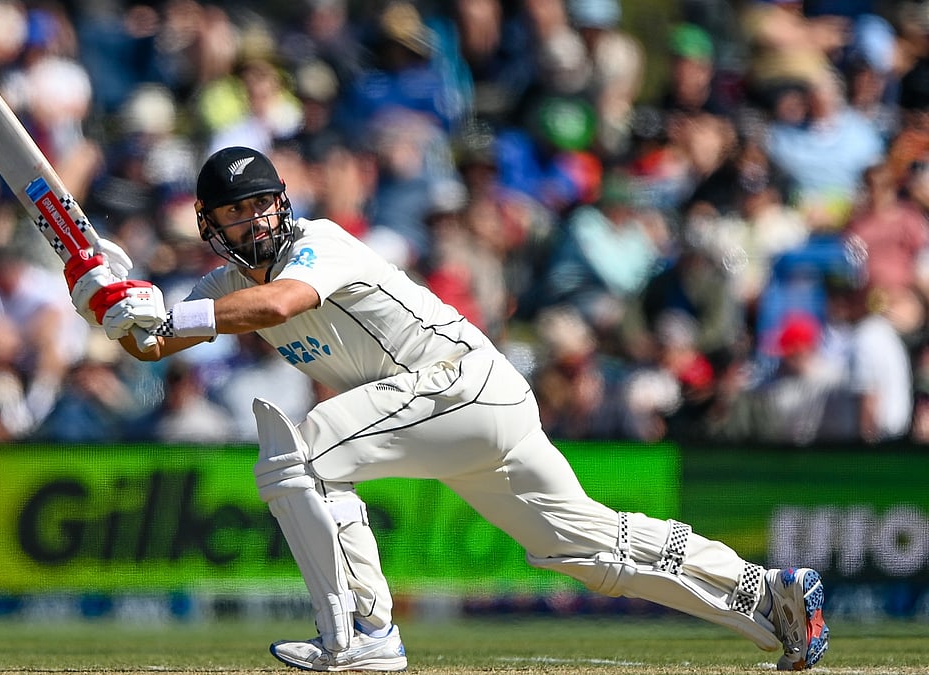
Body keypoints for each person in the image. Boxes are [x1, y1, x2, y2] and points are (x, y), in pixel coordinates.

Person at [65, 146, 830, 672]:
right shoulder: (222, 289)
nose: (257, 221)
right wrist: (107, 303)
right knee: (587, 550)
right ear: (210, 225)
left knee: (305, 452)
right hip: (462, 410)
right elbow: (149, 345)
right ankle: (769, 596)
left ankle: (364, 632)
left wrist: (165, 315)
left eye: (265, 204)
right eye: (238, 213)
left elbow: (280, 303)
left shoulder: (319, 244)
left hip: (459, 383)